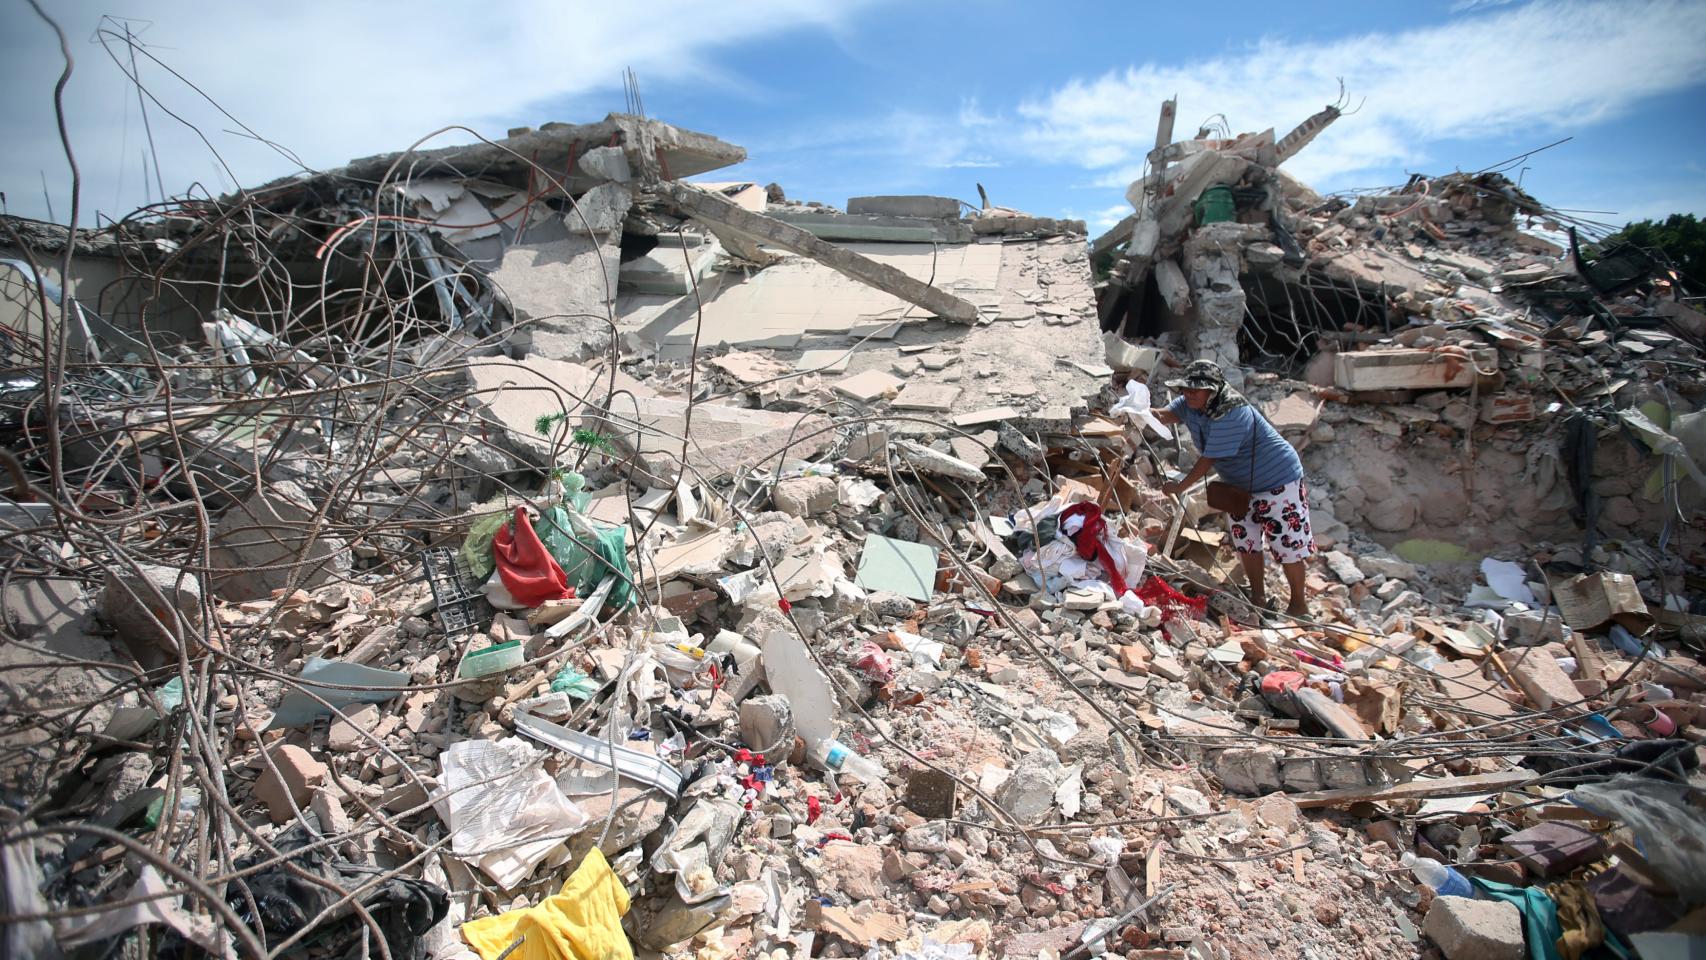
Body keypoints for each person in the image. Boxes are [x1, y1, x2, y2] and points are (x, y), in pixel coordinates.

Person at [1148, 359, 1315, 618]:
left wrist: (1180, 486)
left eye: (1195, 389)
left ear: (1212, 391)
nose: (1188, 394)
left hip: (1278, 481)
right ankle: (1258, 597)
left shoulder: (1232, 413)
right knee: (1246, 542)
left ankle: (1298, 604)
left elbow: (1207, 460)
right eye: (1185, 389)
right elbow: (1165, 415)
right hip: (1239, 487)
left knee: (1286, 545)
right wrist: (1134, 410)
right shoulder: (1192, 404)